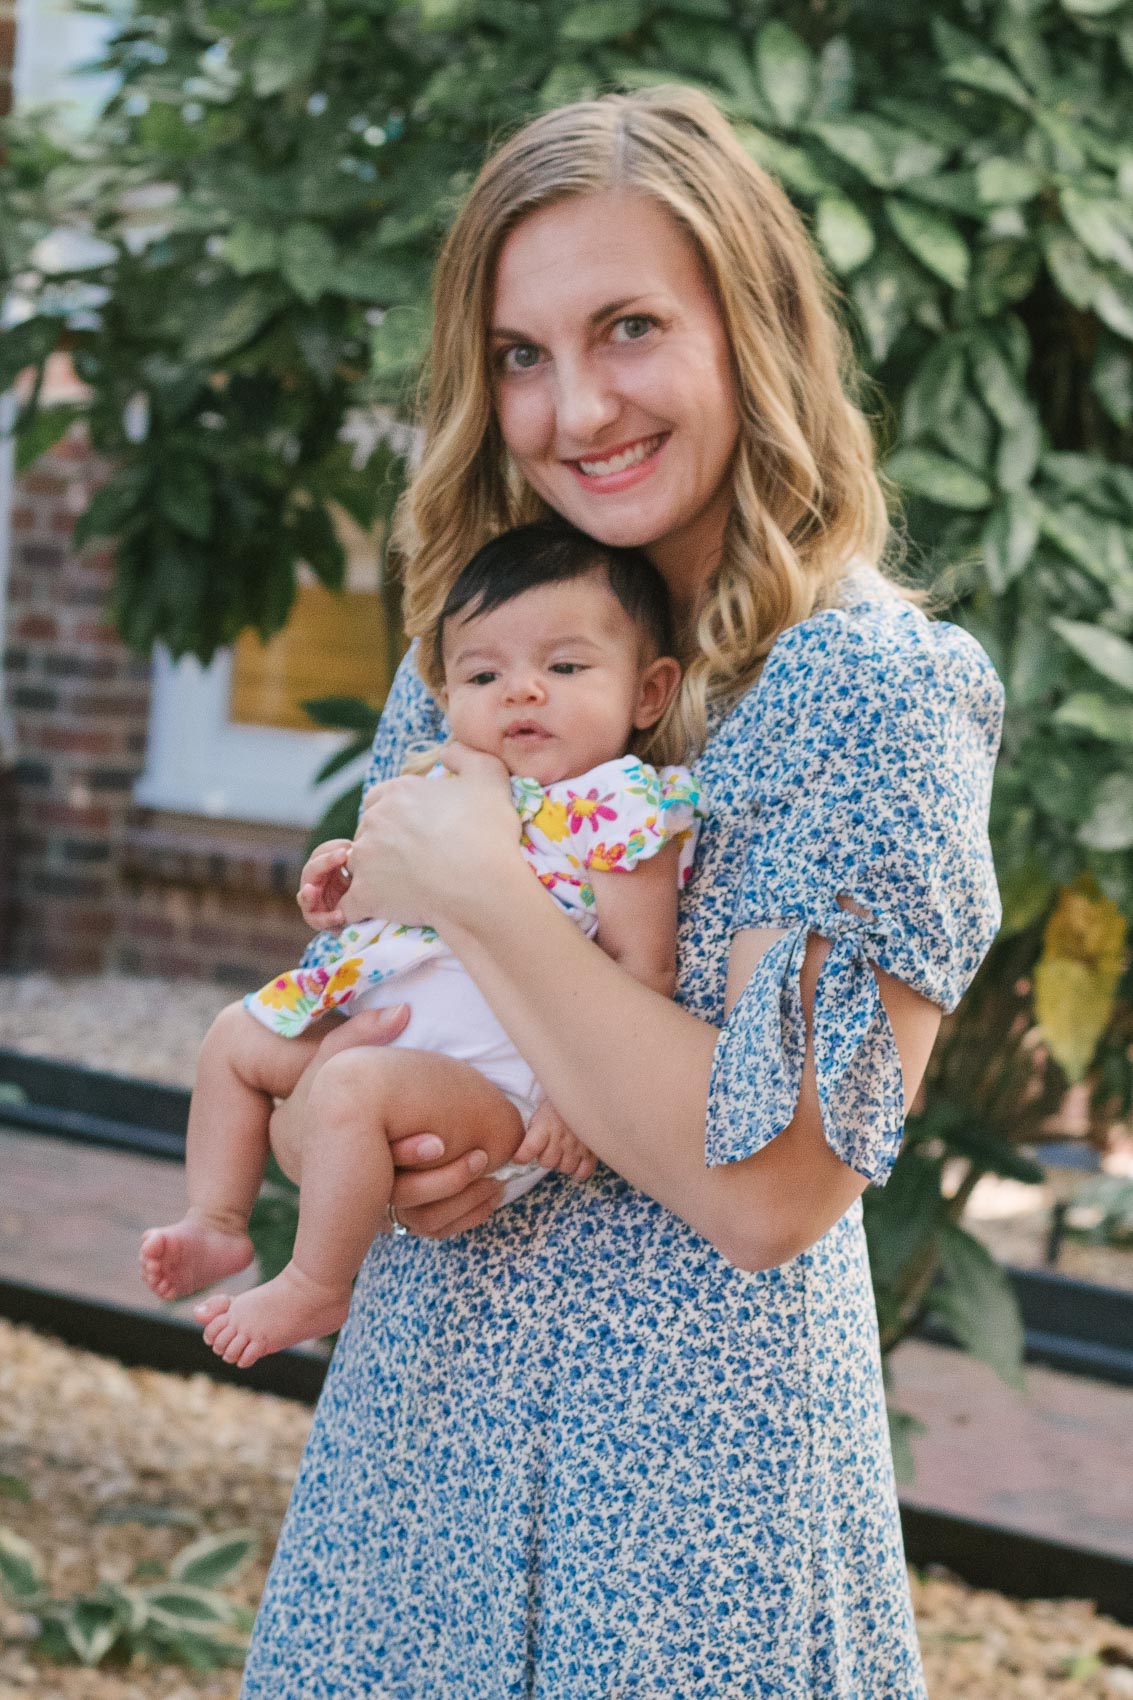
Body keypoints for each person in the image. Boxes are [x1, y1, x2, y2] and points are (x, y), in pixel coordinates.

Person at [240, 84, 1003, 1698]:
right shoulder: (497, 641)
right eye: (520, 355)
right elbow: (333, 1024)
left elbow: (768, 1187)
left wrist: (493, 901)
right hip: (413, 1453)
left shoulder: (871, 696)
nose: (573, 408)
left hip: (681, 1511)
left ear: (755, 331)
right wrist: (359, 1128)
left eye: (630, 328)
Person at [139, 522, 701, 1368]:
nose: (521, 692)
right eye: (485, 674)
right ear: (446, 695)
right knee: (235, 1038)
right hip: (394, 1029)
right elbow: (388, 900)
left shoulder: (616, 807)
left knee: (355, 1087)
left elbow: (643, 966)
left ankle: (317, 1283)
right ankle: (217, 1220)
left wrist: (575, 1103)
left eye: (564, 667)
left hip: (496, 1082)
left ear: (648, 693)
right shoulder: (440, 779)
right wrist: (343, 883)